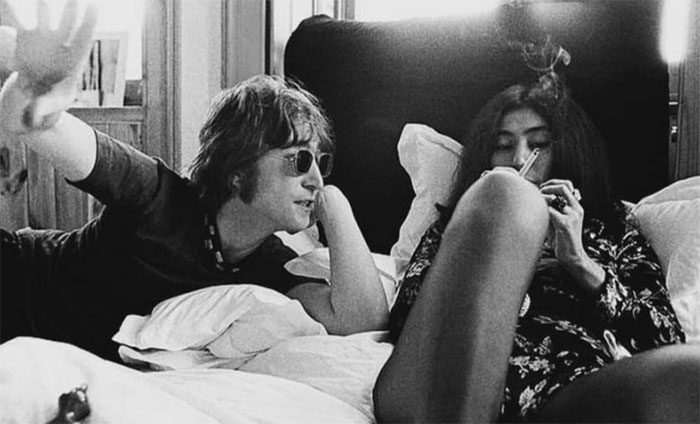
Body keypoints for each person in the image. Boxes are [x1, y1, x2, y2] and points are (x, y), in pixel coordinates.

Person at [0, 0, 388, 362]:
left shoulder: (266, 266)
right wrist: (36, 94)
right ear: (237, 170)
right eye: (300, 160)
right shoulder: (154, 194)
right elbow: (36, 124)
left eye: (321, 162)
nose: (316, 178)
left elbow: (361, 322)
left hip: (40, 357)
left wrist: (335, 204)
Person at [372, 75, 699, 423]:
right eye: (502, 146)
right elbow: (404, 316)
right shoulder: (454, 227)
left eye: (538, 144)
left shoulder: (614, 230)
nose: (519, 158)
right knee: (507, 194)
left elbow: (664, 335)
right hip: (439, 387)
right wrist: (483, 229)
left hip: (564, 391)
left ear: (567, 151)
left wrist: (579, 262)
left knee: (689, 373)